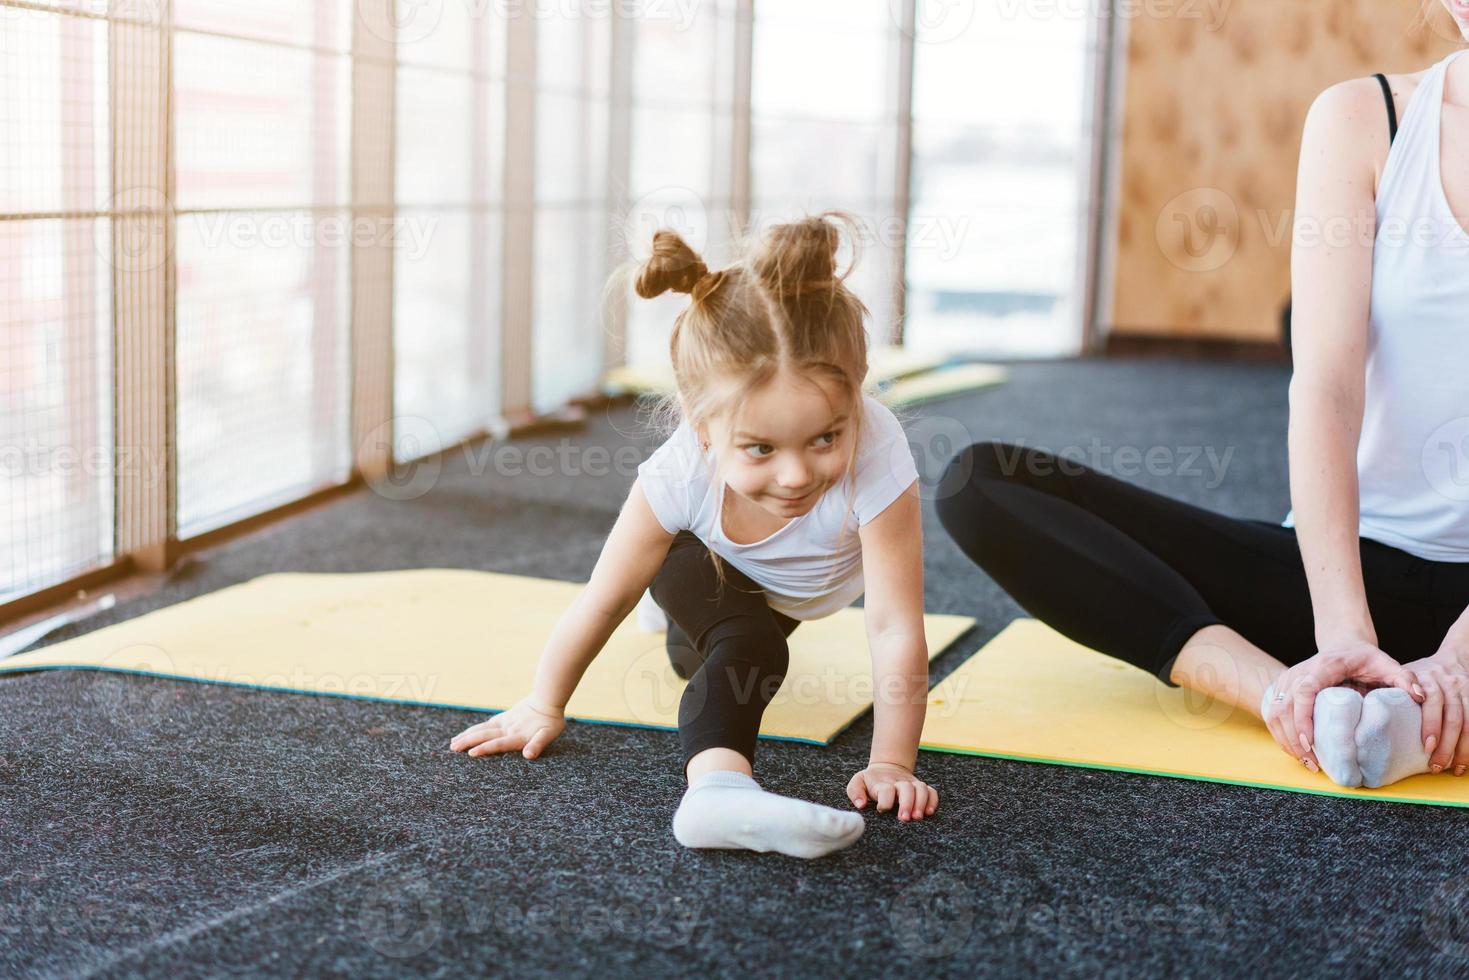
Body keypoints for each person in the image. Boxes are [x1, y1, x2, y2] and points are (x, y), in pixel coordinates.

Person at [934, 3, 1469, 790]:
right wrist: (1341, 633)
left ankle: (1420, 701)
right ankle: (1295, 698)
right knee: (981, 484)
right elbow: (1324, 387)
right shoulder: (1366, 118)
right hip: (1352, 574)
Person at [451, 211, 936, 857]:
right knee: (749, 643)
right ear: (700, 425)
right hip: (696, 557)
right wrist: (542, 705)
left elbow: (893, 624)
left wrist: (892, 763)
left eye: (825, 437)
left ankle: (680, 625)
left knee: (697, 653)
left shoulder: (877, 448)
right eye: (760, 448)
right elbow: (602, 598)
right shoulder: (675, 478)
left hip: (787, 590)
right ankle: (717, 794)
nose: (796, 474)